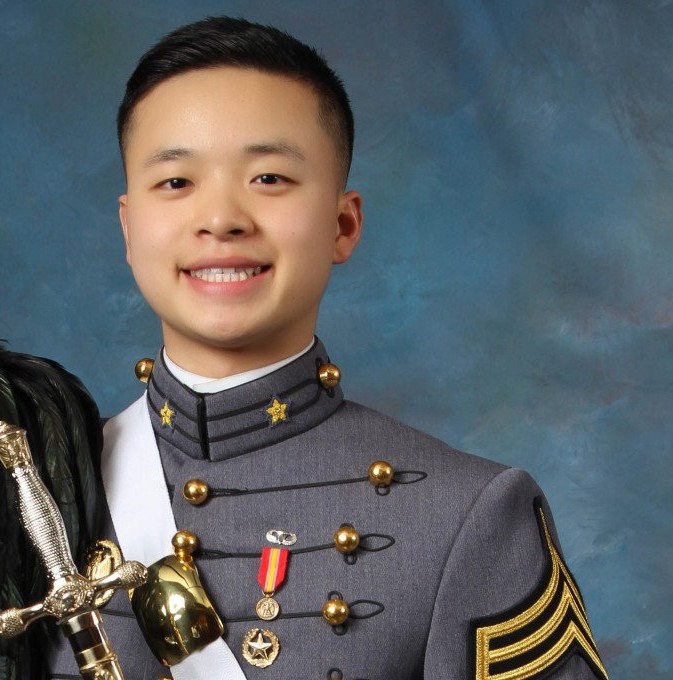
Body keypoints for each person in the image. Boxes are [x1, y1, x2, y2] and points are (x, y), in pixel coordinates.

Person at [40, 16, 609, 680]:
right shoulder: (31, 504)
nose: (221, 218)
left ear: (343, 224)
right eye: (176, 182)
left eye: (270, 179)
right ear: (130, 228)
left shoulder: (469, 518)